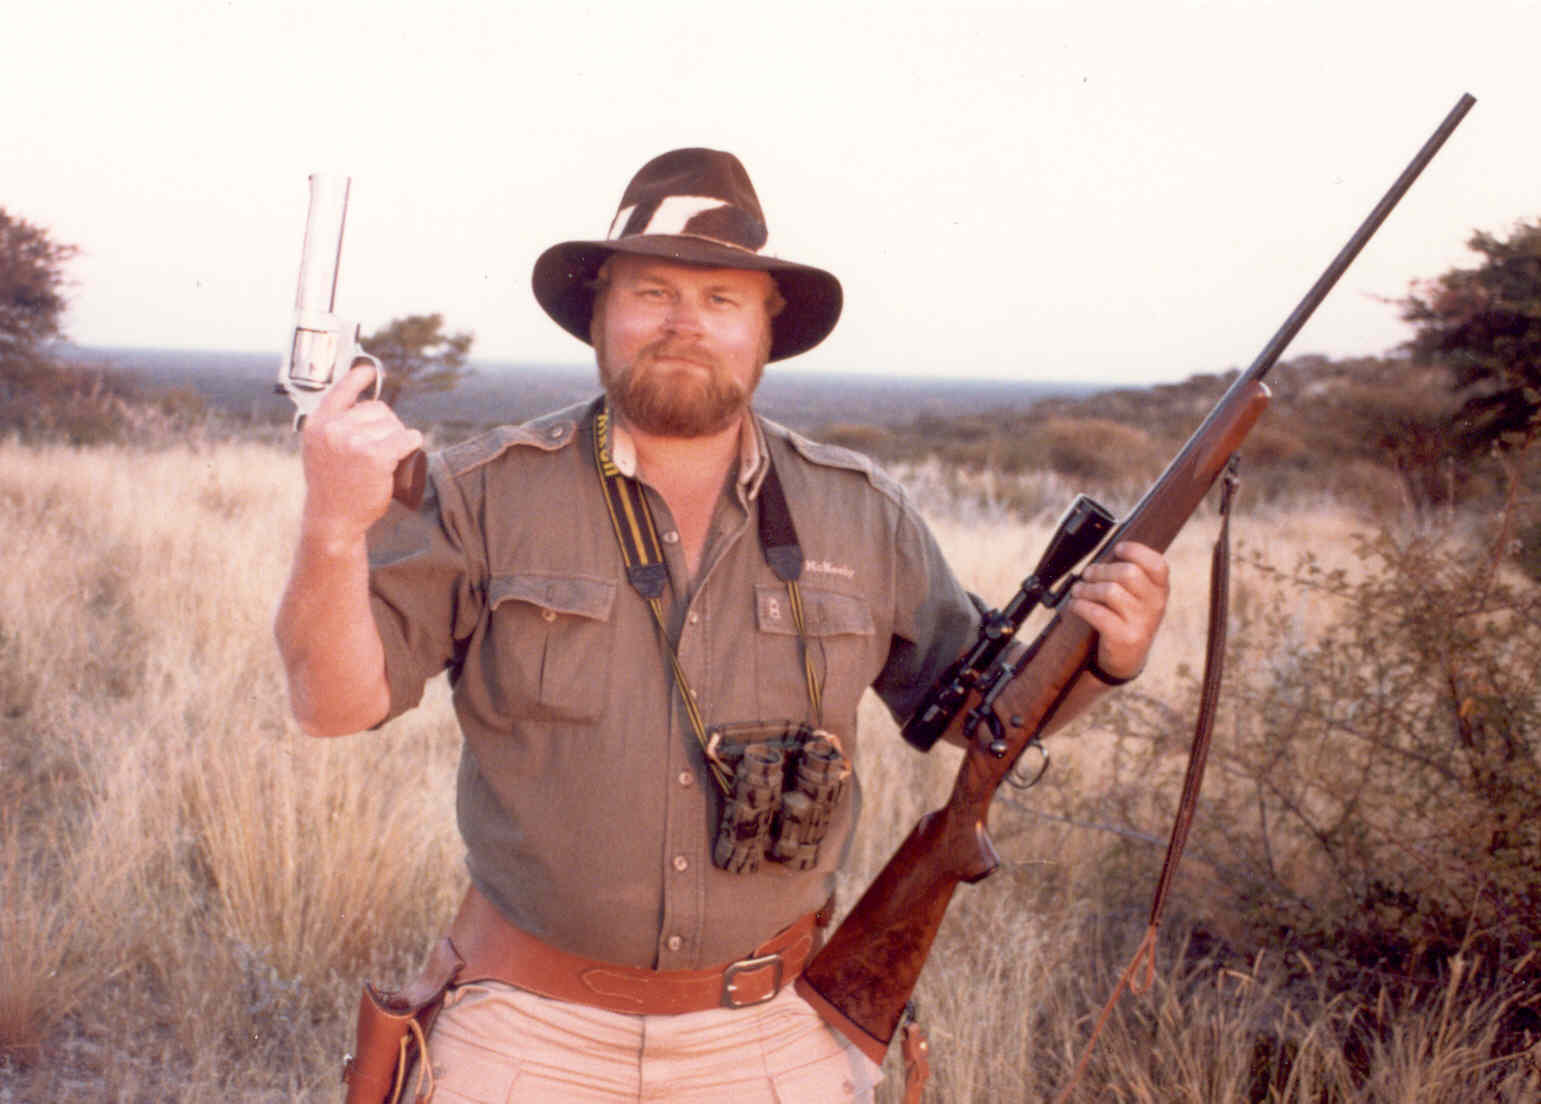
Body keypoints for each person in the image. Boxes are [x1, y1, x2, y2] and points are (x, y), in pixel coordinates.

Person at [274, 147, 1169, 1103]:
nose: (683, 324)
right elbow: (332, 706)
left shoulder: (863, 513)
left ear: (766, 329)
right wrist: (332, 524)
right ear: (599, 316)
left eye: (721, 300)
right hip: (523, 1032)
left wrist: (1104, 657)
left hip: (770, 1036)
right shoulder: (482, 491)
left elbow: (969, 714)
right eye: (651, 291)